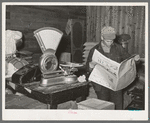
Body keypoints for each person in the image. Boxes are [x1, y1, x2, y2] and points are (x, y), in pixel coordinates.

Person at [86, 26, 139, 110]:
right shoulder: (94, 50)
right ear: (102, 37)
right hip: (101, 84)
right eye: (107, 41)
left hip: (116, 84)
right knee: (104, 107)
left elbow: (128, 60)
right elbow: (87, 70)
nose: (110, 42)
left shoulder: (118, 48)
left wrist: (135, 60)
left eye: (112, 40)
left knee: (118, 106)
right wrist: (90, 66)